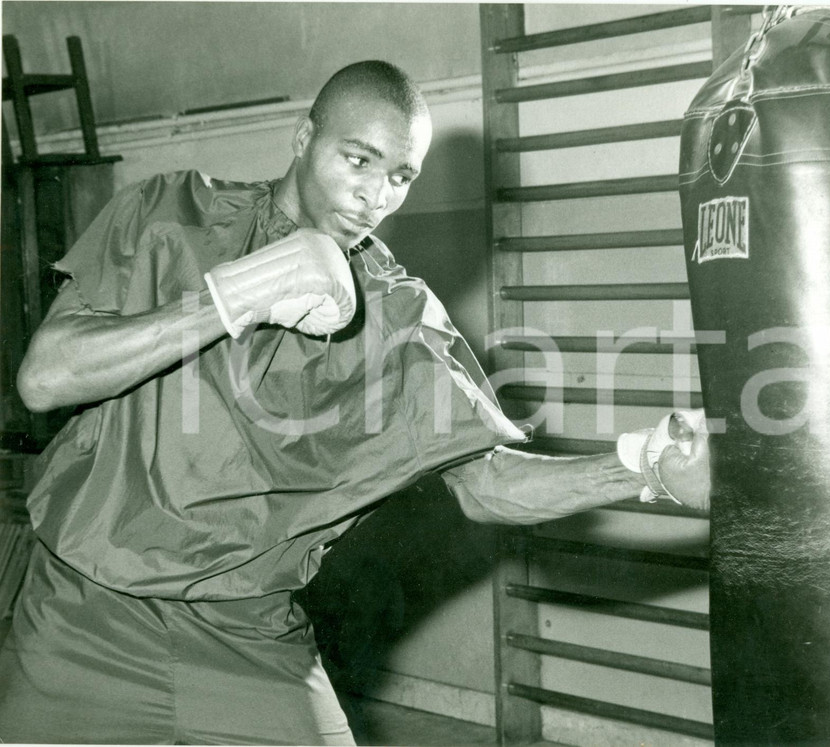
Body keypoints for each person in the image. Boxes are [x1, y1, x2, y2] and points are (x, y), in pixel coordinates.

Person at [0, 60, 709, 745]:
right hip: (79, 613)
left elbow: (487, 483)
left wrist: (641, 465)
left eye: (400, 176)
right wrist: (239, 293)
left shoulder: (400, 317)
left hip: (247, 636)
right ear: (304, 139)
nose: (376, 196)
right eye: (358, 161)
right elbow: (45, 377)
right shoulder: (171, 213)